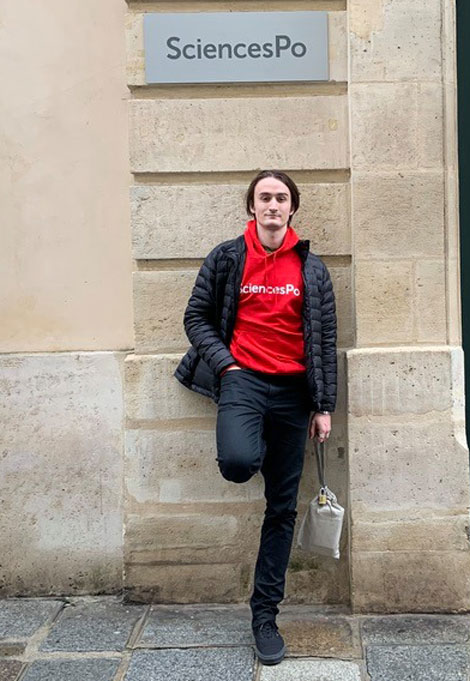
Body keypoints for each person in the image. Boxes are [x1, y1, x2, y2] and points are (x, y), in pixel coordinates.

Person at [174, 170, 337, 665]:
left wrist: (323, 405)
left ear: (292, 209)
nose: (272, 205)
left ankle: (264, 617)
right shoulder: (227, 257)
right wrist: (225, 363)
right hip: (242, 379)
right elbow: (195, 317)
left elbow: (325, 339)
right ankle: (251, 442)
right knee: (239, 462)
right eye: (264, 197)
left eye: (281, 198)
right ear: (251, 207)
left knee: (282, 508)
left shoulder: (312, 270)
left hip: (292, 392)